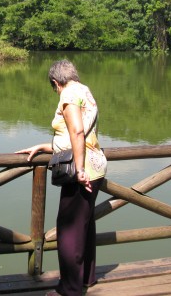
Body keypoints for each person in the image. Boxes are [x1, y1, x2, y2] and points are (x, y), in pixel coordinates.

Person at [16, 60, 107, 296]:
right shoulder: (84, 90)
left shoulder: (68, 94)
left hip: (81, 169)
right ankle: (86, 278)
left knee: (69, 231)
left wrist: (78, 170)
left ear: (56, 83)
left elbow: (77, 131)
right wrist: (45, 146)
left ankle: (70, 289)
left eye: (54, 87)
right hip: (95, 163)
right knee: (84, 225)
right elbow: (76, 135)